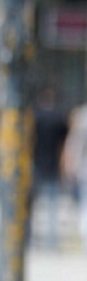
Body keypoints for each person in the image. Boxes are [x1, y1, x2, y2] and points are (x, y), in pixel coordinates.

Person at [30, 87, 67, 248]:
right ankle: (50, 242)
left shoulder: (36, 118)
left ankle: (28, 238)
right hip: (52, 165)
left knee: (31, 205)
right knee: (51, 206)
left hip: (37, 164)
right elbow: (63, 144)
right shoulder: (59, 119)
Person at [62, 103, 87, 251]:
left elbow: (74, 144)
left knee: (84, 206)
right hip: (83, 169)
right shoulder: (82, 116)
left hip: (84, 169)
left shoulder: (82, 116)